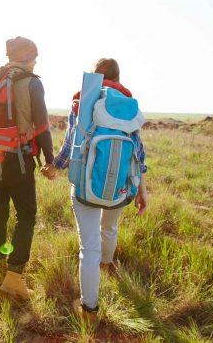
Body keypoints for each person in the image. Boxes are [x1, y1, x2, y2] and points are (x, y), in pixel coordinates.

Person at [54, 58, 148, 324]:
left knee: (89, 247)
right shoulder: (128, 106)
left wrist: (55, 167)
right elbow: (137, 151)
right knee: (110, 228)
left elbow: (70, 142)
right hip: (120, 188)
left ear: (96, 76)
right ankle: (106, 267)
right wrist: (142, 189)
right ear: (118, 78)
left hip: (85, 186)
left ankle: (89, 310)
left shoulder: (83, 101)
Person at [0, 36, 56, 300]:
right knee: (26, 216)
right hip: (19, 159)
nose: (36, 62)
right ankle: (14, 277)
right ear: (28, 57)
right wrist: (50, 160)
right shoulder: (31, 83)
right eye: (35, 57)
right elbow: (42, 126)